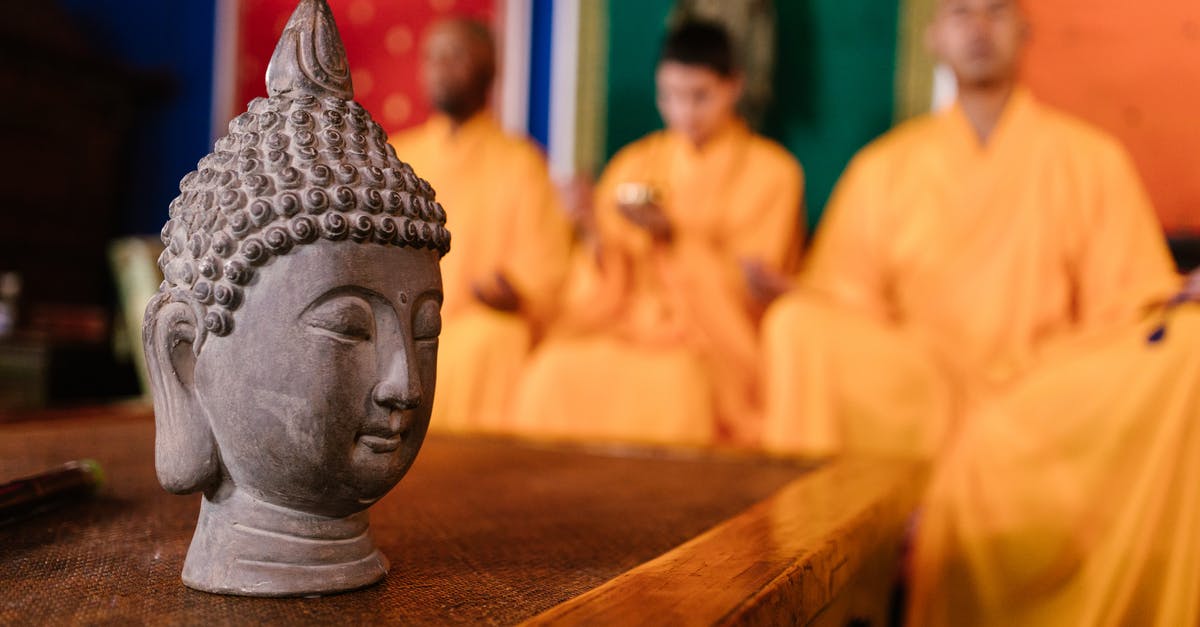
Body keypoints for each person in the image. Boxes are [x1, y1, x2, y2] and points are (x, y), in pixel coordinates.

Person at [759, 0, 1179, 459]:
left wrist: (1174, 303)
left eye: (996, 12)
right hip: (919, 392)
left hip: (1046, 394)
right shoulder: (882, 168)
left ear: (1025, 31)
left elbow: (1129, 309)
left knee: (1186, 344)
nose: (979, 28)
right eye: (961, 13)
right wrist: (803, 296)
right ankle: (839, 513)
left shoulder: (1093, 160)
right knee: (795, 326)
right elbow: (850, 301)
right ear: (933, 38)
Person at [511, 20, 804, 446]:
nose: (684, 112)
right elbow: (603, 280)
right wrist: (593, 230)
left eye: (700, 96)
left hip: (712, 343)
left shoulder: (774, 174)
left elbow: (751, 288)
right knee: (552, 370)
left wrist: (675, 238)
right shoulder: (635, 163)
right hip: (629, 324)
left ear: (734, 86)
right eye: (670, 96)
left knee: (676, 386)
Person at [389, 19, 572, 433]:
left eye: (455, 56)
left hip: (480, 324)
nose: (440, 68)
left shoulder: (521, 163)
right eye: (432, 57)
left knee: (493, 339)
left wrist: (516, 296)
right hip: (403, 318)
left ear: (488, 70)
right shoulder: (400, 157)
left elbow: (546, 273)